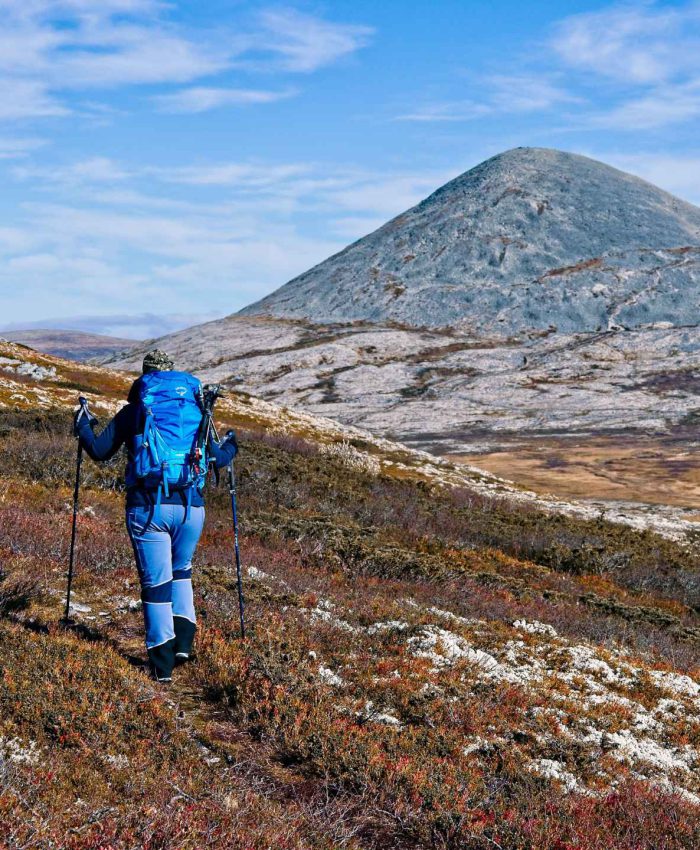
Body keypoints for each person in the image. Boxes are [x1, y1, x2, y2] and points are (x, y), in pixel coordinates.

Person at [74, 349, 237, 683]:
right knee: (182, 572)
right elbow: (218, 459)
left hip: (149, 508)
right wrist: (233, 445)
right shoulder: (196, 411)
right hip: (192, 508)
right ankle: (183, 645)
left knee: (156, 584)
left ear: (146, 377)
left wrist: (82, 425)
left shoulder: (135, 412)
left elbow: (100, 451)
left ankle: (161, 667)